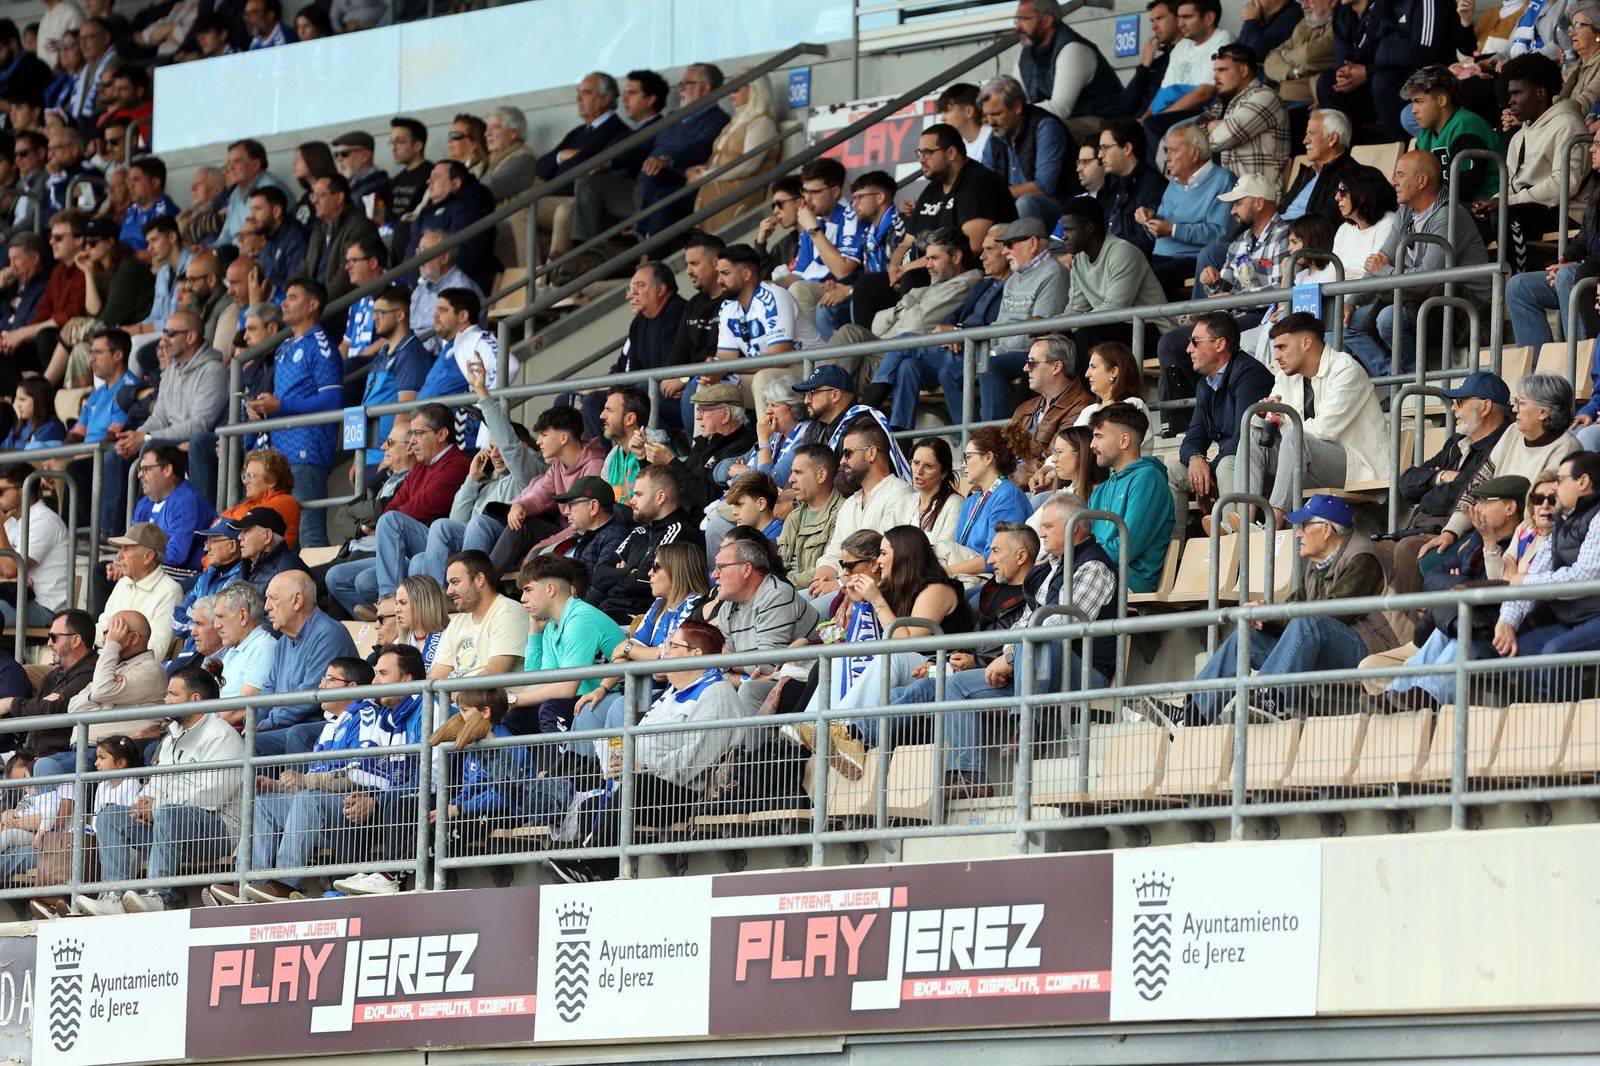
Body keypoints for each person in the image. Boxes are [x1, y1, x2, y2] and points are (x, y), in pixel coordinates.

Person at [217, 651, 420, 904]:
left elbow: (359, 774)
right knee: (265, 803)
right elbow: (316, 779)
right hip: (325, 812)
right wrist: (278, 785)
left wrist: (306, 782)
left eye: (330, 679)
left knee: (310, 798)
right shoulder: (331, 726)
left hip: (358, 812)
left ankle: (284, 884)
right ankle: (252, 886)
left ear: (351, 687)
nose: (321, 685)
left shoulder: (366, 716)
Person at [1185, 494, 1398, 722]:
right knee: (1247, 636)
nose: (1298, 534)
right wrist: (1264, 616)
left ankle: (1268, 700)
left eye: (1304, 526)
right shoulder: (1316, 565)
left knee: (1309, 620)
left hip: (1374, 651)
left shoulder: (1364, 557)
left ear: (1326, 529)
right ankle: (1192, 714)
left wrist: (1274, 617)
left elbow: (1335, 613)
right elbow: (1292, 610)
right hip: (1326, 644)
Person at [77, 667, 243, 914]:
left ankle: (158, 896)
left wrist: (156, 808)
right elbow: (156, 783)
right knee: (110, 815)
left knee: (167, 813)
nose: (165, 700)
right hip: (169, 827)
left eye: (173, 694)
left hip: (217, 834)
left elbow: (211, 796)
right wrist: (143, 802)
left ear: (195, 699)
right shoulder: (171, 737)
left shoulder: (221, 735)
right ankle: (113, 897)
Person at [798, 526, 975, 755]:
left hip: (944, 669)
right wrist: (861, 602)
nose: (878, 561)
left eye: (883, 553)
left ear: (903, 554)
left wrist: (876, 599)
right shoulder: (896, 587)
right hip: (920, 668)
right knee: (839, 660)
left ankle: (840, 730)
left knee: (892, 659)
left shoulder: (936, 587)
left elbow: (907, 645)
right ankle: (810, 726)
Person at [1338, 151, 1490, 377]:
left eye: (1400, 175)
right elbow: (1382, 258)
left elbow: (1427, 277)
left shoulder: (1448, 214)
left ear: (1422, 181)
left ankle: (1413, 384)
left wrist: (1385, 271)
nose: (1393, 182)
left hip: (1463, 305)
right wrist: (1352, 301)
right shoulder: (1406, 212)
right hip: (1421, 298)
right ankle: (1395, 378)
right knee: (1344, 325)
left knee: (1388, 318)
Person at [1248, 313, 1392, 529]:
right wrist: (1267, 417)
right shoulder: (1284, 376)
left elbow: (1325, 430)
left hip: (1358, 467)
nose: (1277, 356)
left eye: (1282, 347)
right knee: (1253, 435)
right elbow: (1275, 427)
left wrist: (1284, 424)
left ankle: (1273, 524)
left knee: (1294, 438)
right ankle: (1244, 522)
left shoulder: (1346, 369)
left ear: (1306, 343)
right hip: (1307, 463)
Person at [1420, 374, 1582, 555]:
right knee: (1429, 560)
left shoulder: (1566, 449)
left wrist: (1486, 542)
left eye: (1521, 403)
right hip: (1487, 530)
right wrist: (1451, 531)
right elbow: (1479, 482)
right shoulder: (1513, 431)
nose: (1514, 408)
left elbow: (1543, 510)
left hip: (1524, 542)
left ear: (1543, 412)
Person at [1385, 371, 1512, 592]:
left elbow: (1458, 493)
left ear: (1485, 407)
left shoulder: (1500, 445)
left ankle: (1411, 615)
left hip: (1456, 530)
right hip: (1419, 526)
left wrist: (1429, 488)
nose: (1453, 408)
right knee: (1373, 552)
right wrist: (1441, 476)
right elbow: (1406, 483)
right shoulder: (1456, 443)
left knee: (1407, 549)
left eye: (1460, 401)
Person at [571, 540, 713, 733]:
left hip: (674, 693)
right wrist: (602, 689)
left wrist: (630, 649)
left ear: (677, 569)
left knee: (621, 708)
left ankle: (621, 755)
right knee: (589, 709)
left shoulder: (695, 606)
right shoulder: (659, 605)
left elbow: (666, 659)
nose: (649, 573)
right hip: (643, 688)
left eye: (656, 567)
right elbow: (626, 652)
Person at [243, 278, 341, 548]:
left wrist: (281, 405)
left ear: (313, 305)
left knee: (310, 534)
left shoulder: (321, 345)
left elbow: (332, 399)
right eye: (285, 296)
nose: (284, 302)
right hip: (278, 457)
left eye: (293, 297)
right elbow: (281, 398)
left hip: (306, 452)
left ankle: (319, 578)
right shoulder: (284, 346)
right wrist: (259, 408)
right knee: (279, 538)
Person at [857, 228, 986, 427]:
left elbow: (917, 324)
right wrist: (907, 312)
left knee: (903, 340)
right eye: (927, 258)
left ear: (956, 257)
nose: (928, 265)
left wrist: (956, 330)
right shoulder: (932, 287)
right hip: (935, 354)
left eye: (934, 258)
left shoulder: (971, 282)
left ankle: (865, 409)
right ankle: (901, 436)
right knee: (907, 367)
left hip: (965, 355)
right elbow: (877, 323)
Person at [1474, 53, 1590, 272]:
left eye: (1517, 93)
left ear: (1540, 92)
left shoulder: (1568, 124)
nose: (1510, 100)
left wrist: (1507, 202)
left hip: (1567, 212)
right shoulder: (1519, 136)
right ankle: (1480, 286)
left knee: (1505, 214)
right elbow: (1510, 185)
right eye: (1510, 94)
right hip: (1528, 208)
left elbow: (1565, 184)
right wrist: (1494, 200)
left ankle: (1516, 279)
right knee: (1470, 216)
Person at [1166, 312, 1276, 521]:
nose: (1188, 349)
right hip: (1227, 464)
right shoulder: (1205, 383)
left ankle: (1233, 537)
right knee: (1172, 470)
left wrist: (1207, 472)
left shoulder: (1250, 374)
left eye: (1195, 342)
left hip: (1261, 467)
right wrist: (1195, 459)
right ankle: (1174, 543)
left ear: (1220, 344)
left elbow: (1244, 440)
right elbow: (1193, 438)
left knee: (1227, 465)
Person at [511, 555, 626, 743]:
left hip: (616, 694)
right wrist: (534, 633)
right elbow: (542, 680)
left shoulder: (580, 619)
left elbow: (567, 688)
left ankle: (561, 764)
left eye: (528, 590)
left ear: (550, 589)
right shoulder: (551, 626)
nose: (523, 599)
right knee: (515, 717)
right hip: (582, 697)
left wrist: (514, 699)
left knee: (550, 709)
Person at [970, 216, 1068, 424]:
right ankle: (966, 435)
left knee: (990, 366)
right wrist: (989, 350)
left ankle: (993, 438)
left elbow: (1038, 334)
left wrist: (995, 352)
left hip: (1033, 353)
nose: (1004, 251)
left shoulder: (1054, 273)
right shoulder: (1014, 277)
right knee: (953, 371)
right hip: (1004, 351)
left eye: (1009, 245)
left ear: (1032, 243)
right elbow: (999, 325)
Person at [710, 532, 821, 715]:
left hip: (805, 685)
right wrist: (740, 675)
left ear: (746, 569)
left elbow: (768, 665)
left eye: (721, 567)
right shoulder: (727, 607)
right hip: (771, 682)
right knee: (716, 690)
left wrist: (729, 662)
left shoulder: (776, 594)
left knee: (749, 690)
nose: (714, 575)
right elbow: (718, 668)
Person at [1508, 129, 1600, 348]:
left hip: (1592, 274)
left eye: (1598, 144)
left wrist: (1576, 264)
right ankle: (1539, 367)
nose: (1591, 149)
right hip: (1586, 271)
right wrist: (1563, 259)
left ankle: (1580, 360)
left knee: (1568, 275)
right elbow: (1583, 238)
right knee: (1518, 286)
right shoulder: (1597, 189)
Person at [255, 570, 359, 755]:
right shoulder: (282, 642)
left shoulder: (329, 634)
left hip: (324, 726)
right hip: (286, 726)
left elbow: (308, 696)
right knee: (242, 741)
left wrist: (263, 725)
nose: (266, 607)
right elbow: (269, 691)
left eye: (273, 599)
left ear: (297, 600)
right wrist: (253, 722)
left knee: (253, 744)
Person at [568, 69, 671, 248]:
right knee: (586, 182)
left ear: (650, 99)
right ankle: (582, 249)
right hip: (621, 190)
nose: (624, 99)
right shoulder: (627, 132)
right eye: (624, 93)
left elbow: (637, 152)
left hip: (640, 191)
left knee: (583, 188)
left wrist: (609, 163)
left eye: (632, 93)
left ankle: (582, 249)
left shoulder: (662, 126)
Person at [1057, 197, 1172, 356]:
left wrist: (1063, 325)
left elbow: (1115, 309)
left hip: (1152, 332)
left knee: (1086, 332)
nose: (1063, 237)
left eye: (1069, 230)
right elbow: (1075, 310)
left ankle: (1085, 374)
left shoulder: (1122, 252)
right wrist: (1048, 326)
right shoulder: (1079, 261)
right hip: (1113, 329)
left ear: (1089, 227)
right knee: (1054, 340)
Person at [1086, 403, 1176, 592]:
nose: (1092, 445)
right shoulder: (1100, 490)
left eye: (1099, 437)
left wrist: (1082, 558)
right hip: (1095, 571)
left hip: (1129, 581)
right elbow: (1085, 541)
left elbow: (1128, 545)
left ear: (1124, 441)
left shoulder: (1148, 478)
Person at [1140, 125, 1236, 296]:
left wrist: (1172, 230)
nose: (1166, 158)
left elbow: (1219, 234)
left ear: (1194, 153)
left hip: (1191, 260)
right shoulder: (1175, 182)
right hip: (1160, 258)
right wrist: (1150, 220)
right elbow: (1160, 231)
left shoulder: (1223, 180)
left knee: (1139, 278)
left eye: (1173, 151)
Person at [775, 157, 863, 337]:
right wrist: (769, 286)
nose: (807, 199)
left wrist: (812, 229)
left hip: (845, 289)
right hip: (815, 287)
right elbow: (799, 274)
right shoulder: (815, 219)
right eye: (805, 192)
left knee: (800, 290)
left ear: (835, 191)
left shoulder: (850, 216)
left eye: (814, 192)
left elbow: (843, 271)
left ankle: (811, 352)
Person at [1011, 0, 1124, 133]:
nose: (1018, 27)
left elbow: (1060, 108)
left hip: (1105, 125)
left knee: (1046, 130)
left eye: (1024, 19)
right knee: (1005, 131)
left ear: (1047, 21)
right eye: (1016, 20)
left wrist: (1014, 114)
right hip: (1060, 120)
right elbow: (1016, 98)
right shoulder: (1025, 55)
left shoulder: (1072, 49)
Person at [687, 71, 779, 233]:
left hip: (738, 196)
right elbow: (720, 158)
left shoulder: (762, 122)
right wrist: (700, 170)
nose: (731, 93)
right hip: (716, 192)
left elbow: (747, 165)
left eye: (736, 88)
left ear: (754, 89)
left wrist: (705, 176)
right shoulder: (735, 122)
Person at [979, 74, 1078, 225]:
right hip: (1012, 206)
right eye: (986, 115)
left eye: (996, 114)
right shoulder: (996, 135)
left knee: (1025, 203)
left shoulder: (1045, 127)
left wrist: (997, 194)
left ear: (1017, 107)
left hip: (1062, 207)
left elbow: (1042, 189)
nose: (990, 121)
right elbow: (984, 181)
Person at [0, 608, 95, 762]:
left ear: (76, 641)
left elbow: (51, 708)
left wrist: (9, 703)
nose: (49, 643)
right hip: (26, 754)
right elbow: (40, 709)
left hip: (53, 760)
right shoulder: (54, 675)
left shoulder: (91, 673)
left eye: (54, 637)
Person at [1404, 65, 1501, 205]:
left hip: (1484, 207)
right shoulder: (1425, 134)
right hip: (1449, 208)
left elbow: (1464, 189)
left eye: (1419, 102)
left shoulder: (1467, 125)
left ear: (1441, 100)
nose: (1413, 110)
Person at [1143, 0, 1234, 143]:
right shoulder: (1182, 46)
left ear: (1209, 18)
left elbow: (1203, 94)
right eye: (1179, 17)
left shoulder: (1223, 41)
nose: (1180, 24)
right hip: (1166, 113)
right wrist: (1144, 117)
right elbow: (1163, 91)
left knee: (1152, 126)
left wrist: (1158, 117)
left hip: (1202, 112)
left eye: (1186, 17)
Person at [430, 550, 529, 680]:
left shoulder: (509, 612)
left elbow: (495, 673)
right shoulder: (456, 622)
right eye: (449, 584)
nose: (449, 591)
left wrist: (457, 690)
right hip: (457, 692)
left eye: (455, 582)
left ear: (479, 579)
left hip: (488, 693)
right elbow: (436, 676)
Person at [949, 426, 1033, 576]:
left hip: (994, 578)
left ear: (988, 458)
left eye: (968, 457)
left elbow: (997, 556)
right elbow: (958, 549)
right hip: (967, 576)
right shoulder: (970, 502)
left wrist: (946, 572)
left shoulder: (1008, 495)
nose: (963, 464)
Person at [1201, 43, 1292, 179]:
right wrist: (1210, 125)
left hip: (1255, 190)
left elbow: (1221, 139)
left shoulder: (1265, 97)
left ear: (1243, 70)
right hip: (1226, 188)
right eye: (1215, 70)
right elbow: (1193, 133)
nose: (1215, 77)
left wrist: (1213, 127)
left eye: (1222, 70)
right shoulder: (1222, 103)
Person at [126, 442, 217, 575]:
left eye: (146, 469)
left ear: (167, 470)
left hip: (189, 572)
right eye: (140, 469)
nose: (139, 475)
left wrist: (136, 565)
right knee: (104, 571)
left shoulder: (184, 500)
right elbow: (131, 542)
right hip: (156, 565)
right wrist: (122, 564)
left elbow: (175, 556)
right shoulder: (145, 503)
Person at [98, 522, 183, 660]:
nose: (119, 555)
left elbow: (156, 651)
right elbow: (102, 627)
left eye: (127, 549)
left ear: (148, 556)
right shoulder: (124, 582)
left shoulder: (170, 591)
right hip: (106, 660)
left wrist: (108, 655)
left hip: (136, 669)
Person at [0, 462, 69, 627]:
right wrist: (8, 580)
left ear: (23, 490)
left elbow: (10, 569)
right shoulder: (10, 522)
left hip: (44, 607)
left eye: (0, 491)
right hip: (14, 598)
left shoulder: (45, 521)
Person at [1094, 118, 1168, 256]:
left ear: (1127, 149)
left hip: (1129, 263)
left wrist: (1108, 256)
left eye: (1105, 148)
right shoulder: (1109, 186)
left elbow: (1148, 240)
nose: (1099, 155)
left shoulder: (1155, 186)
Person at [780, 443, 846, 590]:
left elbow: (829, 568)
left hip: (810, 593)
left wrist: (781, 586)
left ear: (821, 475)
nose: (790, 479)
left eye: (798, 472)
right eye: (792, 472)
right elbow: (780, 564)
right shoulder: (793, 517)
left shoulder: (842, 513)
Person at [1282, 109, 1357, 224]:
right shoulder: (1308, 172)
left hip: (1298, 232)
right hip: (1278, 229)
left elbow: (1324, 223)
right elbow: (1283, 209)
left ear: (1332, 139)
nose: (1305, 141)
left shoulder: (1349, 175)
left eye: (1311, 133)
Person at [1077, 342, 1155, 450]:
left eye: (1093, 367)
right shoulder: (1087, 411)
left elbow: (1125, 452)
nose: (1087, 374)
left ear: (1113, 372)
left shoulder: (1133, 405)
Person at [1329, 163, 1399, 283]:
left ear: (1363, 194)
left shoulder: (1388, 222)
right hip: (1340, 292)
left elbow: (1374, 274)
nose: (1337, 197)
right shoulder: (1344, 229)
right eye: (1337, 191)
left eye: (1343, 191)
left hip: (1366, 292)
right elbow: (1331, 276)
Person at [214, 580, 275, 708]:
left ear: (243, 616)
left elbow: (241, 709)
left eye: (221, 616)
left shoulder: (263, 647)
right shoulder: (233, 649)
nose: (216, 625)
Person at [1264, 0, 1336, 101]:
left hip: (1311, 101)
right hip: (1283, 99)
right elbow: (1270, 59)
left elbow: (1308, 55)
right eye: (1302, 1)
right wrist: (1292, 72)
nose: (1303, 6)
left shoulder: (1340, 23)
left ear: (1332, 1)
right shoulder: (1305, 23)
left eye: (1310, 1)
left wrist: (1284, 57)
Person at [236, 506, 309, 595]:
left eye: (246, 531)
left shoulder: (286, 572)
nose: (239, 537)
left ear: (267, 536)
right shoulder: (249, 564)